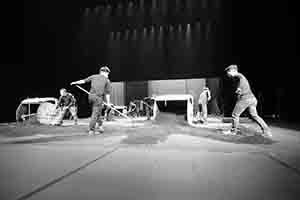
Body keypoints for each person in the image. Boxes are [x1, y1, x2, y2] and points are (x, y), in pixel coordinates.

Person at [224, 64, 272, 137]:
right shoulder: (239, 78)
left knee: (235, 115)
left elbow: (240, 79)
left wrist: (239, 89)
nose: (228, 75)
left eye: (228, 73)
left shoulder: (238, 75)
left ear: (231, 71)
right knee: (254, 115)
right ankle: (266, 131)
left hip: (245, 98)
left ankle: (233, 131)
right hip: (252, 99)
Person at [70, 66, 112, 135]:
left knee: (98, 112)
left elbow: (83, 81)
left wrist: (74, 82)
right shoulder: (107, 80)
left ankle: (100, 126)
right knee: (95, 113)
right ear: (105, 72)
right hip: (98, 98)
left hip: (90, 97)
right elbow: (107, 94)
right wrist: (108, 103)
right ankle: (91, 129)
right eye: (108, 73)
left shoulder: (93, 76)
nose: (108, 75)